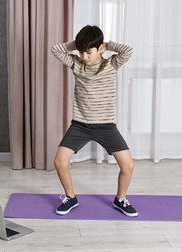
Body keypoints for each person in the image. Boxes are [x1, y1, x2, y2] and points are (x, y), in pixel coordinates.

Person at [51, 25, 138, 217]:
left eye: (88, 52)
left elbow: (128, 51)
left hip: (106, 126)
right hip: (80, 125)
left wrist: (106, 44)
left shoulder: (111, 64)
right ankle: (71, 197)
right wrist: (81, 44)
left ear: (100, 49)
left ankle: (120, 199)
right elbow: (56, 49)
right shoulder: (76, 64)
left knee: (128, 166)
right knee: (59, 162)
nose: (84, 56)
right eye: (81, 52)